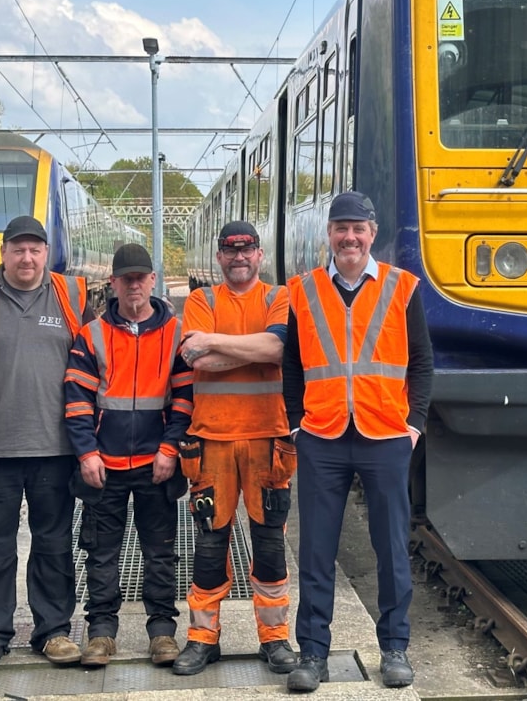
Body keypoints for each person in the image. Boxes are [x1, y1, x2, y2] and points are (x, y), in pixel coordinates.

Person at [282, 192, 434, 693]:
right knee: (316, 550)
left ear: (372, 233)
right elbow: (291, 364)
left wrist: (414, 424)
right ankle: (313, 652)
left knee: (391, 548)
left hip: (386, 434)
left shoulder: (402, 287)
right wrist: (296, 423)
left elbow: (421, 362)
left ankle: (394, 648)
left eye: (358, 228)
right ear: (329, 233)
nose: (349, 237)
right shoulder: (302, 291)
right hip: (322, 436)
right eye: (341, 228)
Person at [0, 215, 93, 671]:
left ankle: (53, 632)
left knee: (53, 545)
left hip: (55, 449)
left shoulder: (72, 295)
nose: (27, 258)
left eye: (35, 249)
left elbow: (94, 361)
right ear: (4, 252)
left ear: (46, 252)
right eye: (18, 249)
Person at [172, 221, 298, 677]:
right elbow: (197, 359)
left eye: (247, 249)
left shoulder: (278, 297)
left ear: (259, 255)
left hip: (269, 441)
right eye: (230, 250)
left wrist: (220, 342)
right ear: (219, 257)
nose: (239, 257)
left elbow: (278, 349)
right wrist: (257, 349)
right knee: (209, 545)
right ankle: (203, 640)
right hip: (212, 442)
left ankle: (276, 639)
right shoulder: (202, 300)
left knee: (269, 546)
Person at [64, 243, 193, 668]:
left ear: (153, 281)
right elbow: (78, 400)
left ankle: (162, 634)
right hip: (105, 465)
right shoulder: (92, 334)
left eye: (141, 277)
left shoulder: (176, 333)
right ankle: (101, 633)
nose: (134, 284)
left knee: (160, 553)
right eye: (127, 278)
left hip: (157, 464)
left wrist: (170, 448)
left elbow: (185, 399)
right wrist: (86, 453)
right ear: (113, 283)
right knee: (101, 553)